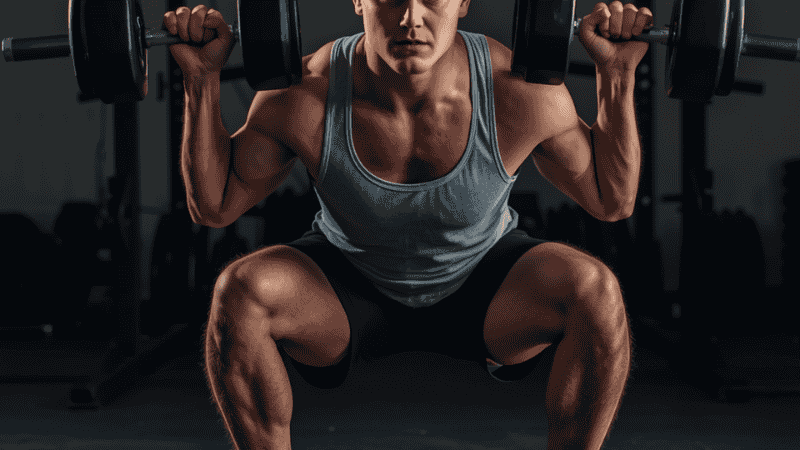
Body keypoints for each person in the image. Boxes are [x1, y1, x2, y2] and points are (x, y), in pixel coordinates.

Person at [163, 0, 652, 448]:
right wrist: (201, 79)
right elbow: (215, 205)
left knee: (596, 291)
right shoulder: (307, 94)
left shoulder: (517, 92)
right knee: (240, 292)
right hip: (348, 282)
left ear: (462, 2)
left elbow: (612, 199)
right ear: (359, 1)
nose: (410, 18)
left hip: (485, 282)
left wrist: (618, 74)